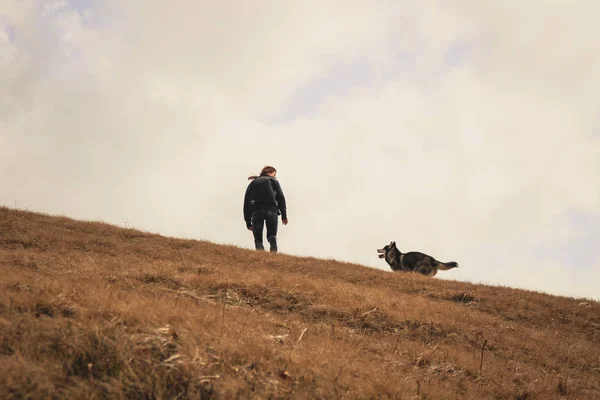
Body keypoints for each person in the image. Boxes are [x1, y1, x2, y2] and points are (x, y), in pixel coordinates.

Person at [243, 166, 288, 252]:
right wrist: (284, 215)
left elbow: (246, 203)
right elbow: (281, 198)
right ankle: (273, 248)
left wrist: (248, 222)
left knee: (258, 237)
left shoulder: (253, 183)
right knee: (272, 234)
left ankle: (260, 252)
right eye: (274, 174)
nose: (275, 176)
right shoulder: (274, 181)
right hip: (272, 210)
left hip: (257, 211)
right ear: (270, 173)